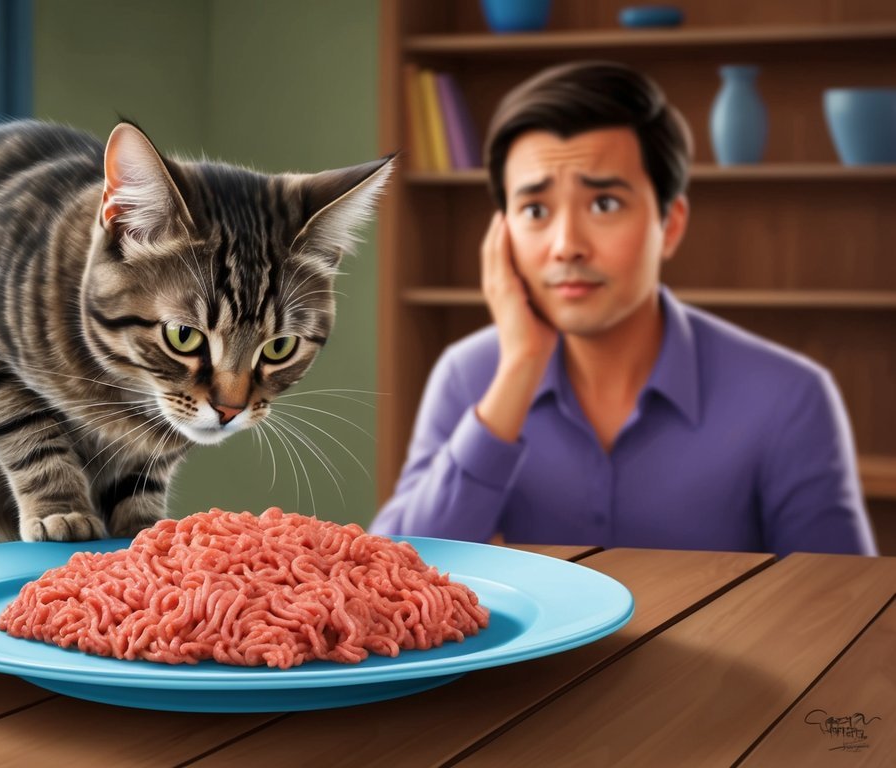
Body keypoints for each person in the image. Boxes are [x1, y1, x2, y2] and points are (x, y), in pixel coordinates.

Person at [369, 61, 876, 556]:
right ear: (501, 236)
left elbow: (846, 610)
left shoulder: (790, 397)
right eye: (536, 210)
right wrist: (518, 370)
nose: (566, 245)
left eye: (605, 203)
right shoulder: (468, 375)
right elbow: (391, 573)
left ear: (670, 224)